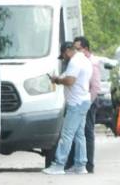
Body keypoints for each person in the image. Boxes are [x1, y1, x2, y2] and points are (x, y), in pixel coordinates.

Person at [42, 41, 93, 175]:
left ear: (67, 51)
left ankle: (59, 165)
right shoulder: (84, 59)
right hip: (83, 101)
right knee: (79, 135)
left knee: (66, 134)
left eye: (63, 55)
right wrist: (58, 77)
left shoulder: (75, 62)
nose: (63, 58)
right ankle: (80, 165)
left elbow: (70, 80)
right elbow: (71, 76)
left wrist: (57, 81)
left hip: (76, 104)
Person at [64, 36, 101, 173]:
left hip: (88, 101)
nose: (76, 51)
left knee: (87, 132)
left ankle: (88, 164)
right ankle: (74, 162)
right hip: (79, 101)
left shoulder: (92, 62)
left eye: (78, 49)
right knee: (76, 133)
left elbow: (95, 87)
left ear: (86, 49)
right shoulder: (77, 61)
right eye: (74, 49)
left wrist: (87, 104)